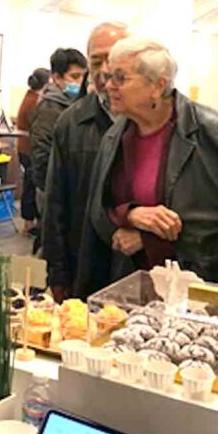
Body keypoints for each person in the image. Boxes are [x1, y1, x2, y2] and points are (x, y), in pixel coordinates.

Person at [76, 39, 218, 294]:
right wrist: (129, 215)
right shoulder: (115, 136)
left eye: (120, 78)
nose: (108, 85)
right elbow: (98, 208)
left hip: (197, 288)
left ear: (157, 86)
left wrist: (149, 239)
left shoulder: (215, 132)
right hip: (130, 285)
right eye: (109, 76)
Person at [42, 22, 129, 301]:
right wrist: (57, 273)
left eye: (112, 59)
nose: (105, 69)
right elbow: (55, 203)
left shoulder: (150, 122)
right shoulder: (71, 122)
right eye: (96, 61)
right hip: (85, 263)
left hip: (140, 266)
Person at [30, 48, 88, 214]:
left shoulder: (77, 105)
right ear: (57, 78)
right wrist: (52, 189)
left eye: (84, 76)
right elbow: (41, 154)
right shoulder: (50, 108)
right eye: (75, 76)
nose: (81, 81)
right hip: (54, 191)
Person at [16, 67, 50, 234]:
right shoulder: (35, 102)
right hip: (30, 148)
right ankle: (29, 223)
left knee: (30, 184)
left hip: (25, 147)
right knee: (31, 184)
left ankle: (29, 222)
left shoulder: (29, 97)